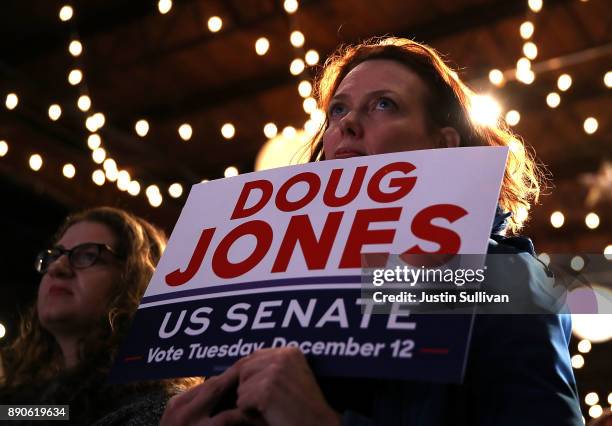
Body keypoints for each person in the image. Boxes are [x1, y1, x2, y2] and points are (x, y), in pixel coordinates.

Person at [161, 37, 583, 425]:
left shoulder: (507, 280)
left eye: (384, 104)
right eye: (337, 110)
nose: (347, 124)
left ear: (442, 144)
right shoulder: (265, 278)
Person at [0, 206, 200, 425]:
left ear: (136, 283)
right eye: (54, 256)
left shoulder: (159, 408)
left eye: (88, 255)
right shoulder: (39, 403)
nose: (57, 267)